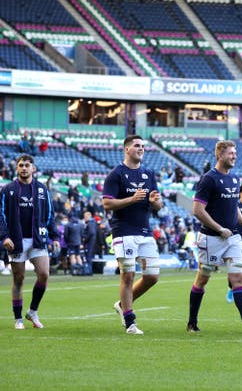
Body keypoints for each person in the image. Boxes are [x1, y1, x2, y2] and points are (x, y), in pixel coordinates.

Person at [187, 140, 242, 334]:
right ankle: (192, 322)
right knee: (202, 279)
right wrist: (219, 228)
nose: (234, 156)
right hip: (210, 239)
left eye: (235, 153)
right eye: (231, 153)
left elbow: (234, 207)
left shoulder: (234, 179)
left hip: (233, 238)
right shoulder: (209, 179)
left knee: (237, 278)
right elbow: (198, 210)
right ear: (220, 155)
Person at [103, 135, 163, 335]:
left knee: (152, 276)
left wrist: (155, 201)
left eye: (143, 146)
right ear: (126, 149)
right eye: (137, 146)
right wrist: (132, 198)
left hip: (145, 231)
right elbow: (107, 203)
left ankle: (123, 304)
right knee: (128, 276)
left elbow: (158, 205)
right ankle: (130, 321)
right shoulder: (116, 174)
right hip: (124, 230)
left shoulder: (148, 174)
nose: (141, 149)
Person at [0, 154, 60, 329]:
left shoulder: (42, 190)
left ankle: (32, 311)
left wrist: (54, 236)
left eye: (27, 165)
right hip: (16, 241)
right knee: (19, 278)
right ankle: (18, 318)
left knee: (44, 274)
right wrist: (5, 236)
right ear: (16, 168)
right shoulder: (8, 190)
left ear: (33, 169)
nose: (24, 168)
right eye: (21, 165)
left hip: (38, 238)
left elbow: (50, 215)